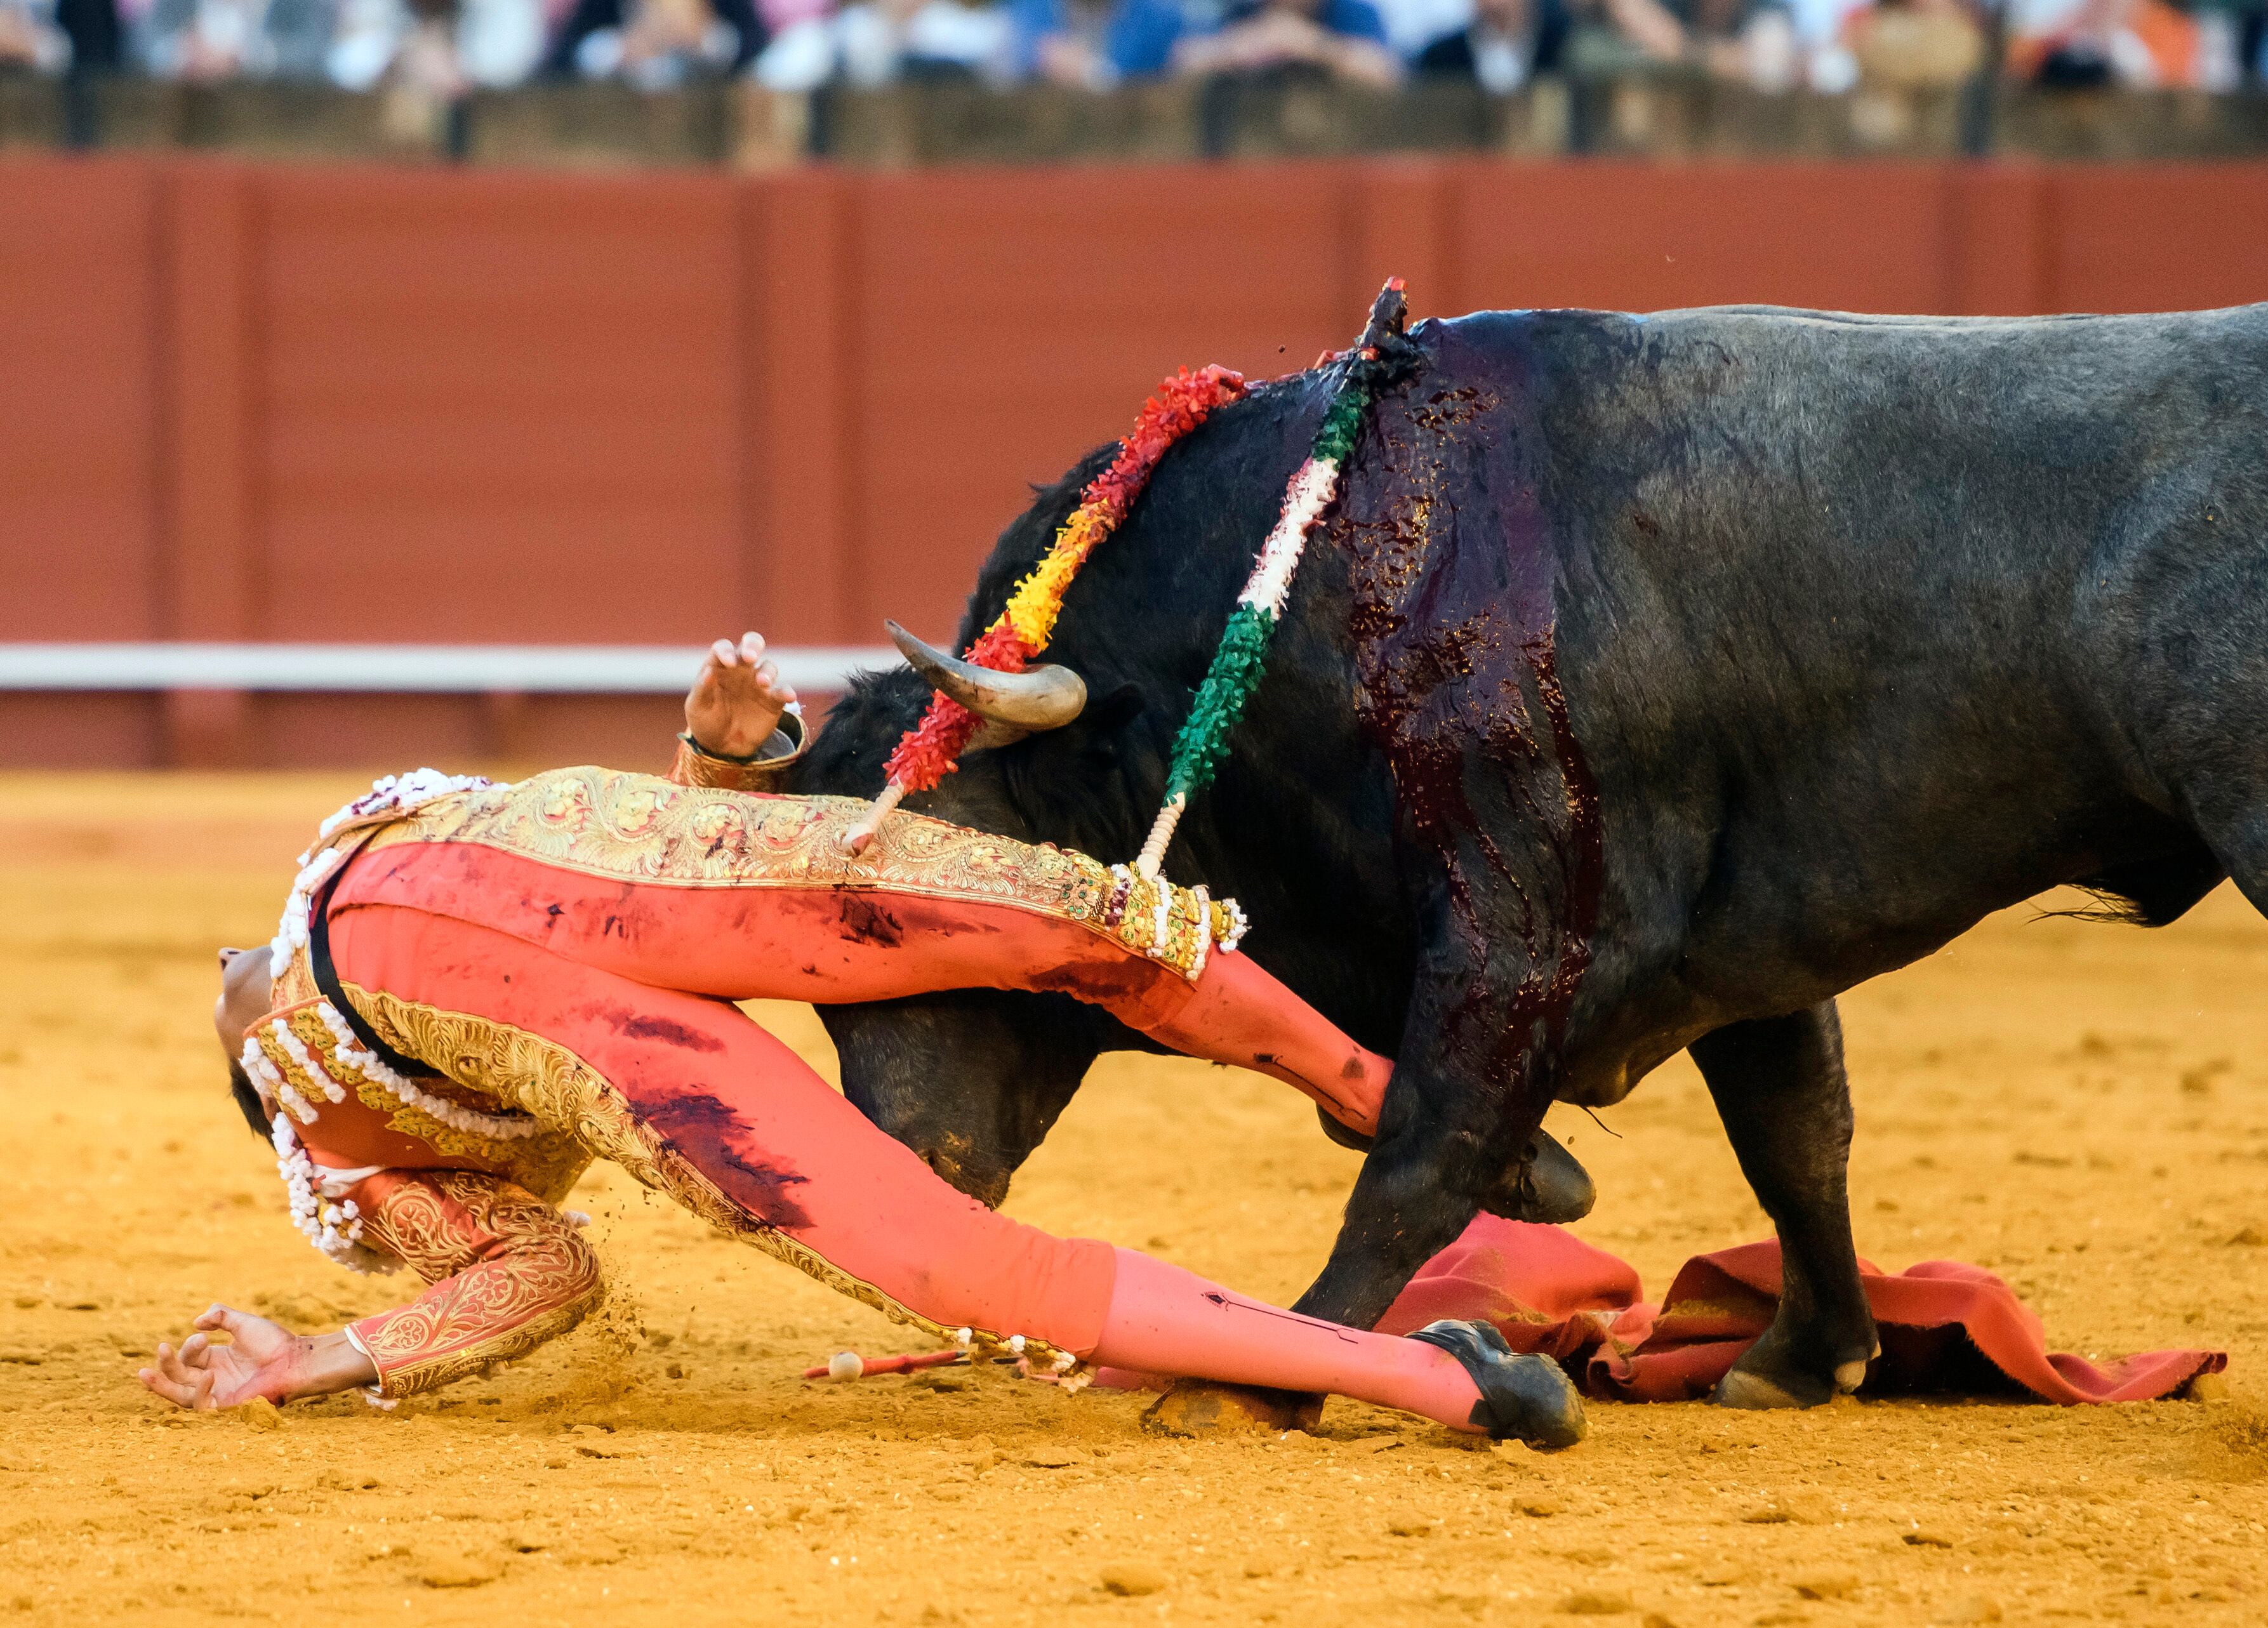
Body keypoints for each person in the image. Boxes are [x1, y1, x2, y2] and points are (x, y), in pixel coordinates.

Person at [136, 634, 1587, 1447]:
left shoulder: (336, 1104)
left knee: (1063, 931)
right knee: (1037, 1015)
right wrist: (310, 1355)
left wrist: (716, 763)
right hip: (575, 953)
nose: (226, 974)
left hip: (565, 872)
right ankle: (1424, 1333)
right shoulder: (335, 1160)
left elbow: (537, 1254)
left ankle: (1400, 1123)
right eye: (235, 1000)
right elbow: (546, 1259)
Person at [1173, 0, 1405, 88]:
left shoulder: (1353, 13)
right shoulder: (1243, 15)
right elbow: (1183, 61)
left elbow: (1389, 76)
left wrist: (1310, 44)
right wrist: (1234, 50)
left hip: (1341, 156)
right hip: (1257, 157)